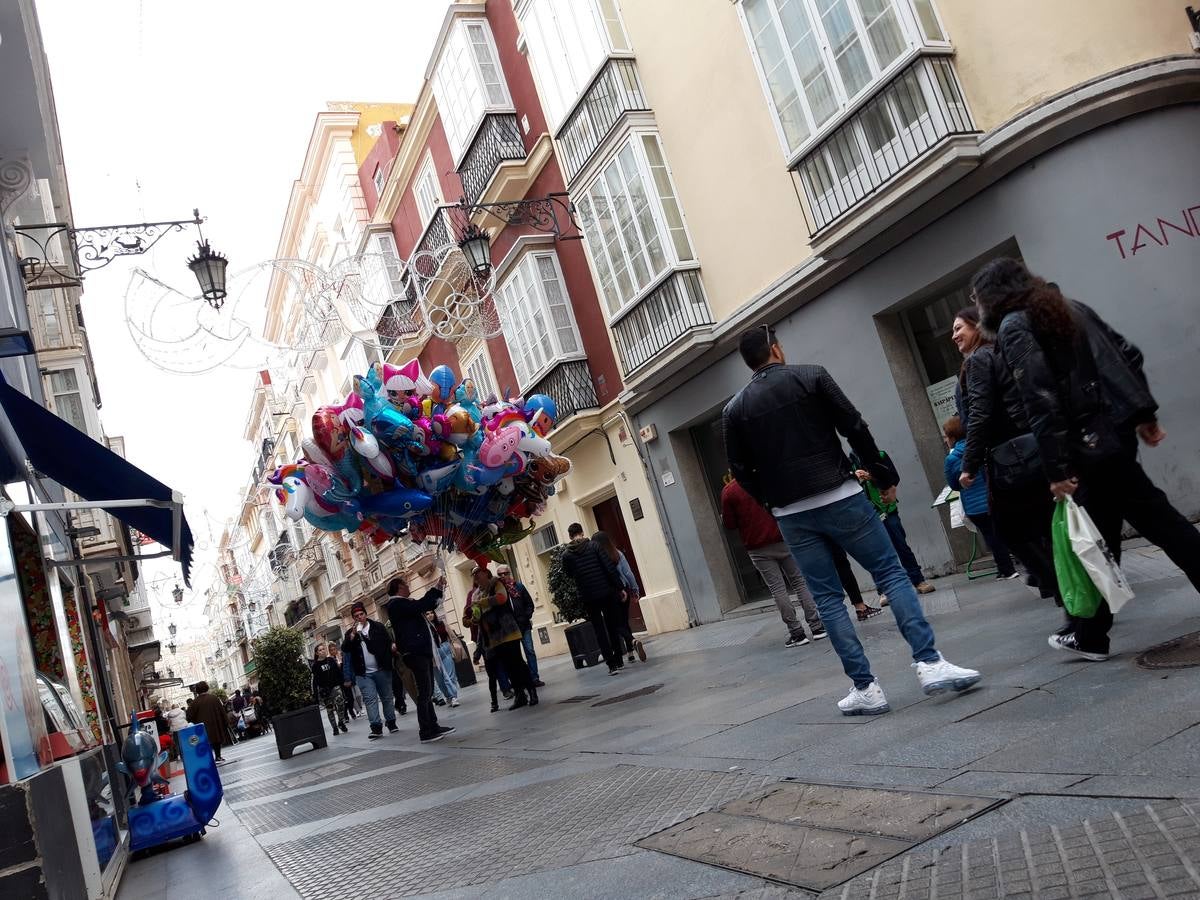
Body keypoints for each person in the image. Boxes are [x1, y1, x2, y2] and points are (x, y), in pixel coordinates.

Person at [724, 324, 981, 715]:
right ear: (775, 349)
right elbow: (854, 426)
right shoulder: (812, 376)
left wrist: (772, 502)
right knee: (891, 573)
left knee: (828, 599)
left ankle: (866, 688)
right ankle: (929, 663)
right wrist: (882, 475)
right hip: (841, 494)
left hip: (792, 513)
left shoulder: (735, 410)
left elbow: (740, 471)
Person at [972, 257, 1200, 659]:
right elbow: (1126, 354)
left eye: (976, 299)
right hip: (1112, 436)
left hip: (1087, 448)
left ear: (994, 296)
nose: (976, 308)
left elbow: (1039, 397)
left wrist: (1057, 469)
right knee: (1101, 536)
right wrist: (1142, 415)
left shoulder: (1015, 325)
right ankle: (1091, 635)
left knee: (1158, 524)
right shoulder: (1067, 307)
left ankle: (1091, 634)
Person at [953, 305, 1059, 602]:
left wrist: (969, 464)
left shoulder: (979, 360)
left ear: (977, 326)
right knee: (1041, 525)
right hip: (1027, 450)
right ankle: (1057, 584)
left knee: (1009, 528)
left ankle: (1057, 585)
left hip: (1009, 457)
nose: (954, 335)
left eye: (959, 327)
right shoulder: (998, 354)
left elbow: (980, 414)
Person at [721, 475, 827, 647]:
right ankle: (817, 627)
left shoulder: (729, 491)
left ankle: (797, 633)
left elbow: (730, 524)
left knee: (777, 589)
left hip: (757, 547)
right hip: (783, 536)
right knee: (800, 582)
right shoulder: (767, 477)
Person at [850, 449, 936, 596]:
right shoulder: (849, 463)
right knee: (874, 553)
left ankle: (918, 580)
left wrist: (872, 477)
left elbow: (894, 478)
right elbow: (848, 489)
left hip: (888, 509)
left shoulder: (880, 455)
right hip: (868, 514)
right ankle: (884, 591)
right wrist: (856, 478)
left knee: (901, 545)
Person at [942, 415, 1018, 579]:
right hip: (995, 496)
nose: (945, 440)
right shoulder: (982, 447)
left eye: (946, 437)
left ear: (953, 437)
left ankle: (1007, 569)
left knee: (991, 537)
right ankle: (1016, 564)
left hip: (975, 505)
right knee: (1006, 531)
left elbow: (954, 485)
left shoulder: (952, 459)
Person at [385, 577, 456, 743]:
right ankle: (425, 730)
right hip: (415, 652)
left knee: (428, 691)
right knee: (424, 693)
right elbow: (421, 605)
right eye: (406, 584)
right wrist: (435, 588)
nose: (409, 586)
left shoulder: (403, 603)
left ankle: (433, 725)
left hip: (421, 651)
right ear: (399, 588)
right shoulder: (396, 604)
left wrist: (438, 589)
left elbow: (427, 605)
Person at [464, 566, 537, 708]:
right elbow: (477, 614)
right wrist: (473, 617)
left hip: (508, 631)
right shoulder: (476, 594)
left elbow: (502, 598)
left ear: (485, 573)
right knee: (508, 667)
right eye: (474, 575)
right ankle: (519, 695)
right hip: (493, 637)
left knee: (518, 663)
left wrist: (482, 602)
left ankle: (532, 691)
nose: (476, 577)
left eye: (477, 574)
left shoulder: (496, 584)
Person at [561, 523, 626, 675]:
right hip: (606, 592)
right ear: (582, 533)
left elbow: (569, 574)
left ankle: (611, 665)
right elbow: (608, 567)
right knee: (611, 625)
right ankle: (619, 660)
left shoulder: (567, 555)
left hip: (588, 596)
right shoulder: (595, 546)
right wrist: (619, 587)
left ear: (570, 536)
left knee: (599, 630)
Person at [341, 601, 399, 740]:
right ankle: (376, 727)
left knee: (387, 698)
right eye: (356, 616)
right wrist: (352, 638)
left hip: (382, 669)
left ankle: (391, 723)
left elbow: (388, 641)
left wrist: (392, 647)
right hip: (364, 674)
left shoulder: (378, 627)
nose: (359, 617)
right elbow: (345, 649)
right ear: (353, 618)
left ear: (366, 614)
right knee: (370, 699)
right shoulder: (351, 633)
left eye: (361, 614)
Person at [591, 532, 649, 663]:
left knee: (615, 625)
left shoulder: (597, 557)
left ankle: (630, 644)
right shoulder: (617, 553)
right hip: (624, 591)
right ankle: (630, 653)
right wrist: (635, 590)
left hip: (610, 593)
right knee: (624, 621)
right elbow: (628, 573)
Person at [496, 565, 545, 685]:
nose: (503, 576)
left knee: (529, 650)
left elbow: (529, 604)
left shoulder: (519, 587)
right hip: (510, 629)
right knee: (515, 656)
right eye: (500, 574)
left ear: (510, 573)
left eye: (505, 573)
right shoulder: (499, 592)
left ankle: (534, 678)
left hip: (524, 625)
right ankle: (522, 679)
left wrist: (526, 616)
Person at [187, 681, 233, 763]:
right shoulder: (214, 698)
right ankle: (218, 756)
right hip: (215, 724)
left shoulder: (195, 702)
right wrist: (226, 722)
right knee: (216, 741)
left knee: (205, 742)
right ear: (206, 688)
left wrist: (195, 721)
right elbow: (222, 711)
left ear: (197, 690)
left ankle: (208, 758)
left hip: (201, 727)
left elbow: (189, 716)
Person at [311, 642, 348, 735]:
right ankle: (334, 727)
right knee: (330, 709)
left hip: (335, 687)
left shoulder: (331, 660)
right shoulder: (315, 665)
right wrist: (316, 694)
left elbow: (338, 672)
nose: (322, 651)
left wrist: (343, 683)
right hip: (325, 691)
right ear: (317, 653)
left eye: (323, 649)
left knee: (341, 705)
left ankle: (341, 722)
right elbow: (315, 681)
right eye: (320, 650)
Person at [427, 612, 461, 707]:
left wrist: (455, 643)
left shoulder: (442, 623)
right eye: (427, 613)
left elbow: (451, 635)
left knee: (450, 675)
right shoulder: (425, 628)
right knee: (440, 680)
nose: (430, 615)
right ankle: (448, 696)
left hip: (445, 649)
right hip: (433, 654)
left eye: (431, 613)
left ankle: (454, 697)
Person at [330, 645, 357, 719]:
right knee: (342, 699)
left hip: (345, 680)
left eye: (334, 649)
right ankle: (345, 715)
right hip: (337, 682)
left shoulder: (341, 657)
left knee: (350, 698)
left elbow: (346, 667)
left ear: (336, 649)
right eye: (331, 650)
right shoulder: (330, 660)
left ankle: (351, 710)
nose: (333, 651)